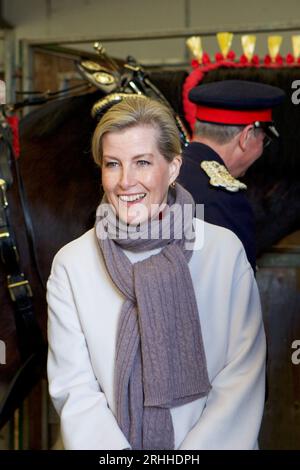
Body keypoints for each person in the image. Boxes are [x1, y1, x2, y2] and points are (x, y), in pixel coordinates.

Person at [47, 95, 266, 450]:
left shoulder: (223, 253)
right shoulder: (72, 264)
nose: (125, 181)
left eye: (143, 162)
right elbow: (75, 388)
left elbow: (242, 378)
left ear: (174, 167)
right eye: (113, 164)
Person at [179, 80, 285, 272]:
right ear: (246, 137)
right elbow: (236, 289)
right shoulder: (224, 198)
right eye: (264, 140)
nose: (263, 148)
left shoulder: (165, 173)